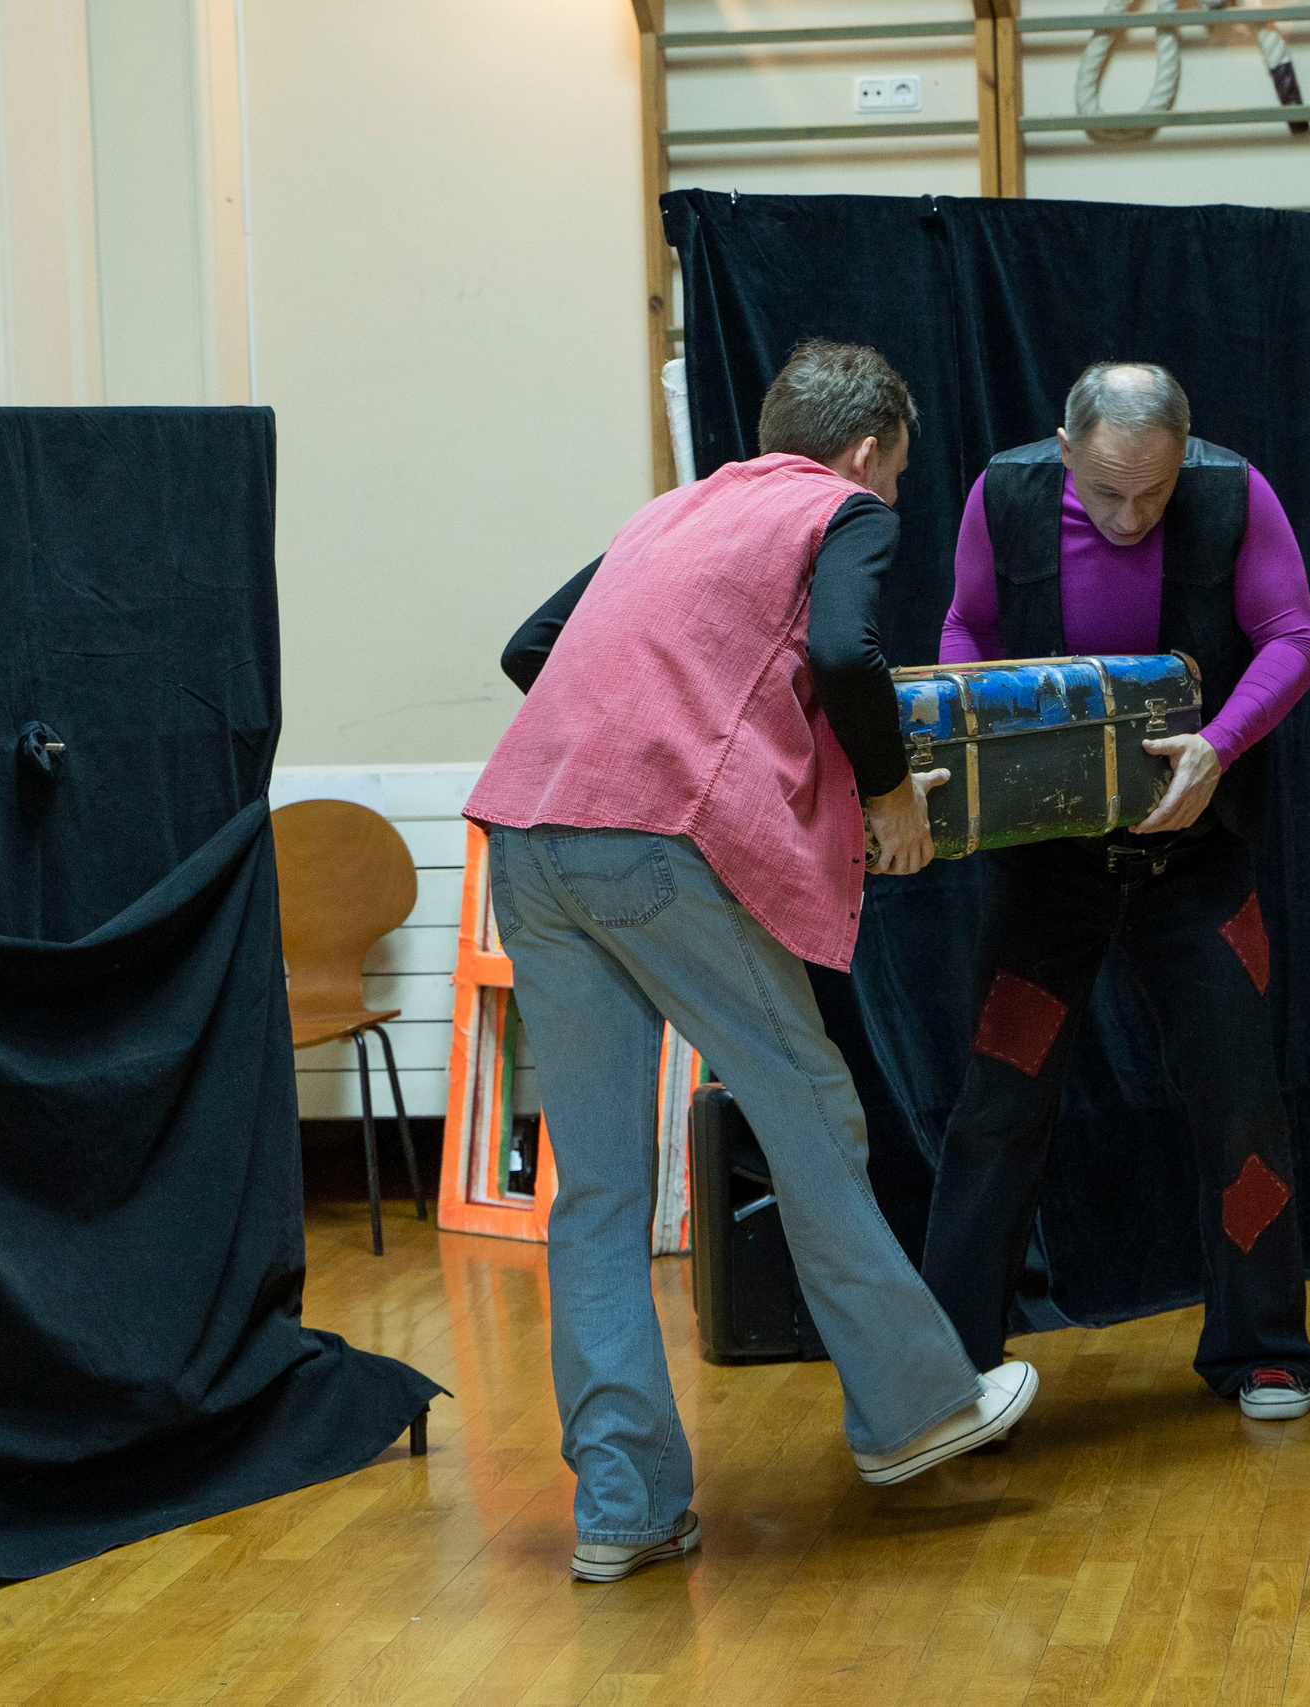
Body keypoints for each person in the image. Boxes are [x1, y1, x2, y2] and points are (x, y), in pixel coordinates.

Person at [467, 339, 1037, 1585]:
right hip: (654, 852)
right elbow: (844, 659)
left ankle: (623, 1509)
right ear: (871, 450)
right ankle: (914, 1411)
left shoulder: (672, 511)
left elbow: (531, 648)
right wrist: (885, 794)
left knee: (601, 1191)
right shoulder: (839, 511)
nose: (889, 498)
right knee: (810, 1110)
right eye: (894, 475)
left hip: (528, 836)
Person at [921, 360, 1310, 1421]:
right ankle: (947, 1371)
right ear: (1065, 449)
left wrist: (1219, 748)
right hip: (1048, 868)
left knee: (1240, 1102)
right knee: (996, 1110)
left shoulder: (1234, 494)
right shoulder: (1002, 494)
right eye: (1105, 492)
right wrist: (968, 752)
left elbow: (1292, 640)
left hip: (1195, 870)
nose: (1130, 513)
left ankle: (1264, 1348)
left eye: (1152, 491)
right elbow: (964, 628)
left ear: (1183, 455)